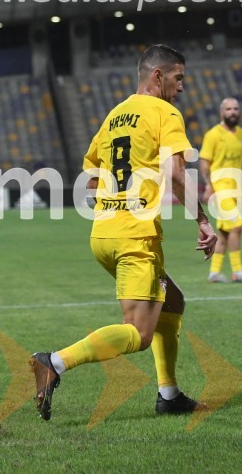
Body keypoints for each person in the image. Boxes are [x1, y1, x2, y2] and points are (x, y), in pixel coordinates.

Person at [30, 44, 217, 421]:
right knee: (138, 333)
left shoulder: (114, 115)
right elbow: (177, 174)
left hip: (104, 233)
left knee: (173, 302)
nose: (182, 87)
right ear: (158, 76)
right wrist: (202, 219)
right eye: (179, 78)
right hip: (135, 237)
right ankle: (54, 362)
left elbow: (91, 175)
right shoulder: (165, 112)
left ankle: (169, 395)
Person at [200, 98, 242, 283]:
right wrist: (208, 185)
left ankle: (214, 272)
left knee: (225, 232)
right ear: (222, 112)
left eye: (236, 109)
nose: (232, 112)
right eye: (228, 109)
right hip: (220, 190)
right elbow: (204, 164)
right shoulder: (213, 135)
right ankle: (237, 271)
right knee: (237, 226)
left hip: (238, 190)